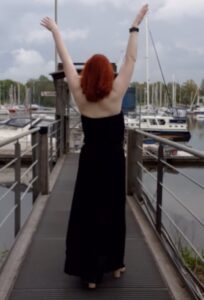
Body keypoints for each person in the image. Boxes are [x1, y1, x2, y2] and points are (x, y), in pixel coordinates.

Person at [41, 3, 148, 289]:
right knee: (112, 212)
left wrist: (56, 32)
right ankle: (114, 264)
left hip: (89, 162)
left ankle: (89, 274)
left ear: (87, 72)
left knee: (87, 214)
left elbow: (64, 57)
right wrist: (134, 26)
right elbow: (131, 59)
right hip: (113, 162)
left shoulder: (79, 93)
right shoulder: (116, 93)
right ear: (107, 74)